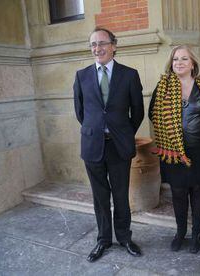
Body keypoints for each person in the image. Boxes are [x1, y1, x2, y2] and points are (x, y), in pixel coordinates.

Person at [73, 27, 144, 262]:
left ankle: (124, 237)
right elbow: (81, 112)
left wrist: (121, 133)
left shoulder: (129, 75)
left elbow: (138, 112)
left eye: (102, 43)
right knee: (100, 197)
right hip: (93, 145)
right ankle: (103, 239)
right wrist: (96, 130)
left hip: (118, 146)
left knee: (121, 195)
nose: (97, 48)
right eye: (93, 44)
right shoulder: (81, 76)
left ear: (114, 45)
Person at [148, 45, 200, 254]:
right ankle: (180, 232)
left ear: (193, 63)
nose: (179, 63)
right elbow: (152, 114)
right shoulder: (163, 86)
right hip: (173, 152)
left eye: (183, 59)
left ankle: (197, 234)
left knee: (198, 190)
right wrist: (170, 134)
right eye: (175, 59)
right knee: (178, 191)